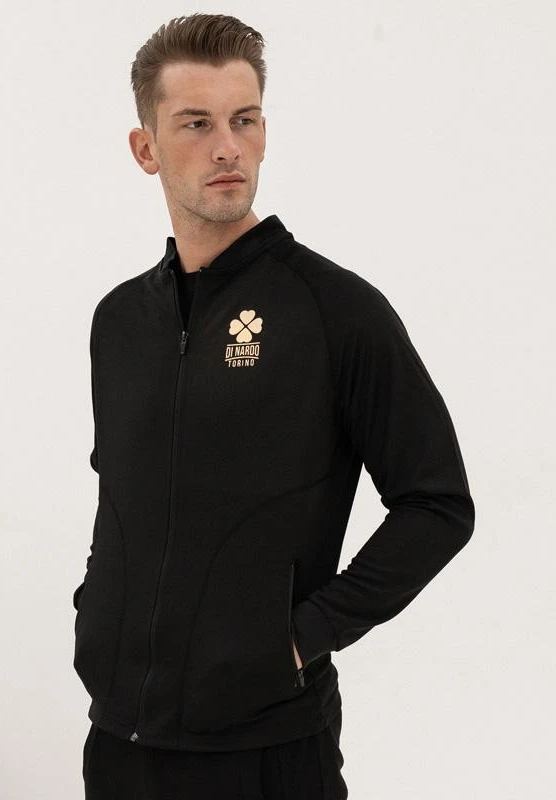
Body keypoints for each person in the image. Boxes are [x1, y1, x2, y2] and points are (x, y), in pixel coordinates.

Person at [72, 13, 475, 799]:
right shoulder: (120, 321)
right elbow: (119, 493)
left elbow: (437, 505)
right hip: (119, 743)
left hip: (269, 749)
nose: (227, 147)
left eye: (244, 120)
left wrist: (296, 639)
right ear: (146, 149)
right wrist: (98, 617)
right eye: (196, 124)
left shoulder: (335, 311)